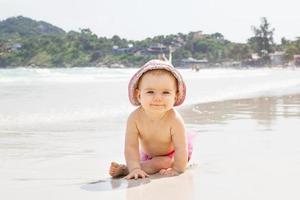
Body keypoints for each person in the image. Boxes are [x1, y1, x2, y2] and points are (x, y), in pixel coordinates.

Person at [109, 59, 193, 179]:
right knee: (147, 163)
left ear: (175, 96)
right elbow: (131, 147)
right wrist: (135, 168)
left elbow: (181, 147)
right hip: (148, 155)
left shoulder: (174, 119)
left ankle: (125, 169)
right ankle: (132, 168)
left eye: (165, 92)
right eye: (150, 92)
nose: (158, 98)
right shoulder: (134, 118)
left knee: (164, 162)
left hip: (174, 155)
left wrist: (177, 169)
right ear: (139, 95)